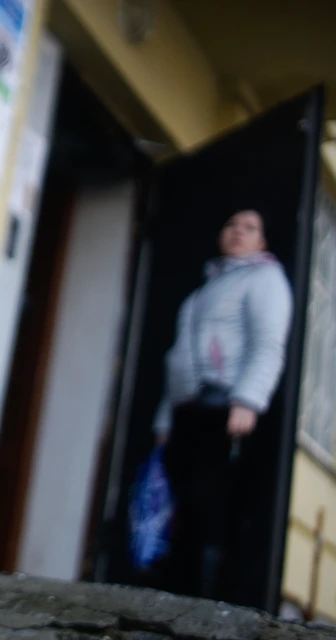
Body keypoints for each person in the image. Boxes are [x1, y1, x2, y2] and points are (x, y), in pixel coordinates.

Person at [152, 209, 293, 600]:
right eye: (231, 225)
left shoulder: (265, 279)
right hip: (189, 411)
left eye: (249, 228)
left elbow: (268, 344)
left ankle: (208, 604)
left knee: (212, 506)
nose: (238, 232)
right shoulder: (202, 291)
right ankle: (175, 596)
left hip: (226, 408)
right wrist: (165, 419)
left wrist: (247, 400)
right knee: (185, 508)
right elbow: (177, 357)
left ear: (262, 242)